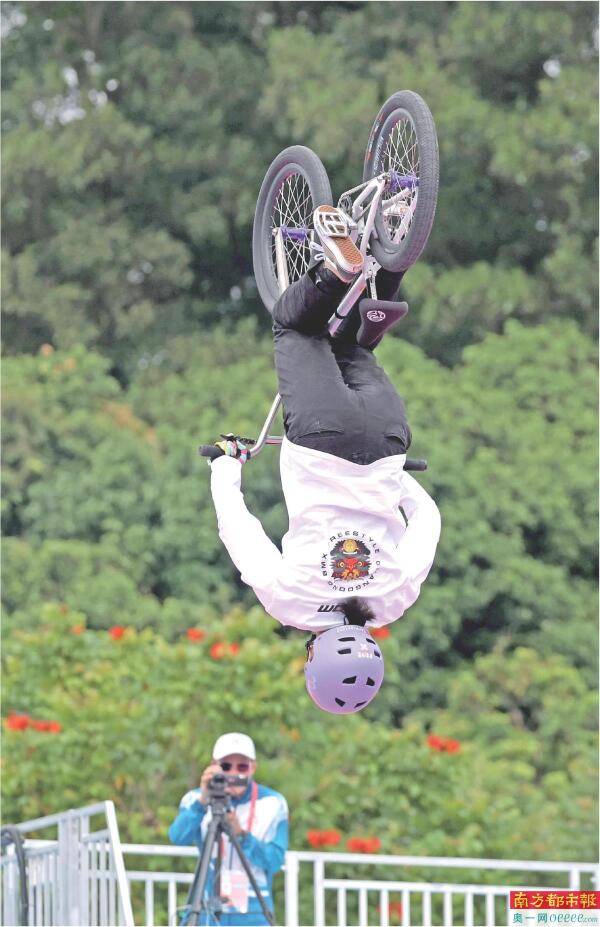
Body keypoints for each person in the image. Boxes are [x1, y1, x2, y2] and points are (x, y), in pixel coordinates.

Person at [209, 207, 441, 714]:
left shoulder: (396, 600)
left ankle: (394, 240)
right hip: (320, 433)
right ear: (311, 658)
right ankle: (336, 270)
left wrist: (397, 480)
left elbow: (428, 517)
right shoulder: (288, 602)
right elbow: (237, 528)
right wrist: (226, 463)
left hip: (386, 437)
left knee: (353, 342)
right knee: (296, 328)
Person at [169, 732, 288, 926]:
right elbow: (178, 837)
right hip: (207, 910)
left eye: (242, 767)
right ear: (213, 766)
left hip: (254, 913)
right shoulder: (195, 798)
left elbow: (274, 860)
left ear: (253, 768)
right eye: (226, 766)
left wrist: (241, 834)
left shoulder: (273, 802)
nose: (233, 773)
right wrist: (203, 801)